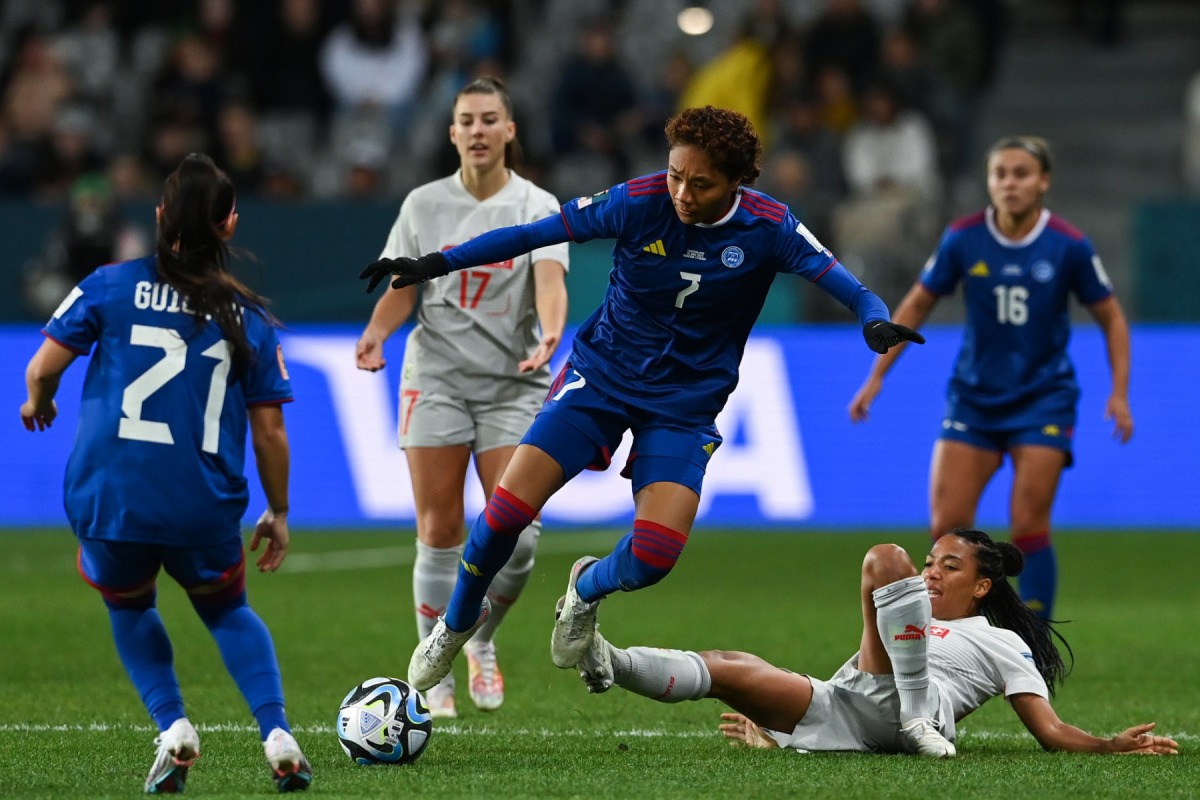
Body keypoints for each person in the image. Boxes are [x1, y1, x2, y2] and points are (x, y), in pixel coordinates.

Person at [359, 105, 925, 694]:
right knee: (505, 514)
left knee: (654, 555)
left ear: (736, 182)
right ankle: (454, 626)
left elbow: (850, 287)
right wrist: (437, 263)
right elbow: (533, 234)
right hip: (602, 378)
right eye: (676, 174)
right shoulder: (637, 200)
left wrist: (873, 320)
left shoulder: (770, 226)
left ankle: (585, 590)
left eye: (701, 184)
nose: (681, 193)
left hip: (685, 403)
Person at [20, 153, 312, 794]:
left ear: (159, 216)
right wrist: (280, 511)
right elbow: (270, 431)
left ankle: (174, 725)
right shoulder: (248, 317)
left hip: (111, 497)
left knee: (128, 605)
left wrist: (39, 401)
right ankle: (276, 732)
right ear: (229, 224)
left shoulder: (107, 285)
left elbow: (42, 368)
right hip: (201, 503)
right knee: (227, 610)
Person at [572, 528, 1178, 758]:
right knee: (729, 666)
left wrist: (1108, 745)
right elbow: (863, 676)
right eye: (930, 562)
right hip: (851, 704)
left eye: (949, 567)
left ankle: (916, 716)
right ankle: (606, 661)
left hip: (919, 709)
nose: (932, 573)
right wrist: (776, 728)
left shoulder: (1000, 642)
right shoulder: (908, 614)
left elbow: (1049, 731)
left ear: (982, 586)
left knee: (884, 558)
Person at [849, 136, 1134, 621]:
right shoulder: (963, 238)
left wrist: (1119, 393)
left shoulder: (1067, 244)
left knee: (1028, 523)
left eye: (1021, 173)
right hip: (974, 399)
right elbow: (917, 303)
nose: (1009, 183)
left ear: (1043, 181)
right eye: (1000, 174)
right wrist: (877, 376)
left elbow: (1112, 317)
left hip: (1043, 399)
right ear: (989, 181)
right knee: (947, 526)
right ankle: (954, 635)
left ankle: (1034, 637)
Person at [354, 76, 569, 719]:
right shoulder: (424, 205)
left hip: (513, 381)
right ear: (452, 133)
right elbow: (402, 284)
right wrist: (376, 332)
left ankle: (479, 638)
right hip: (438, 377)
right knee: (441, 529)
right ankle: (434, 671)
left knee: (518, 536)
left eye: (489, 119)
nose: (478, 130)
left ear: (509, 130)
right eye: (467, 120)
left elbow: (550, 280)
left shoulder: (537, 204)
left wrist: (552, 331)